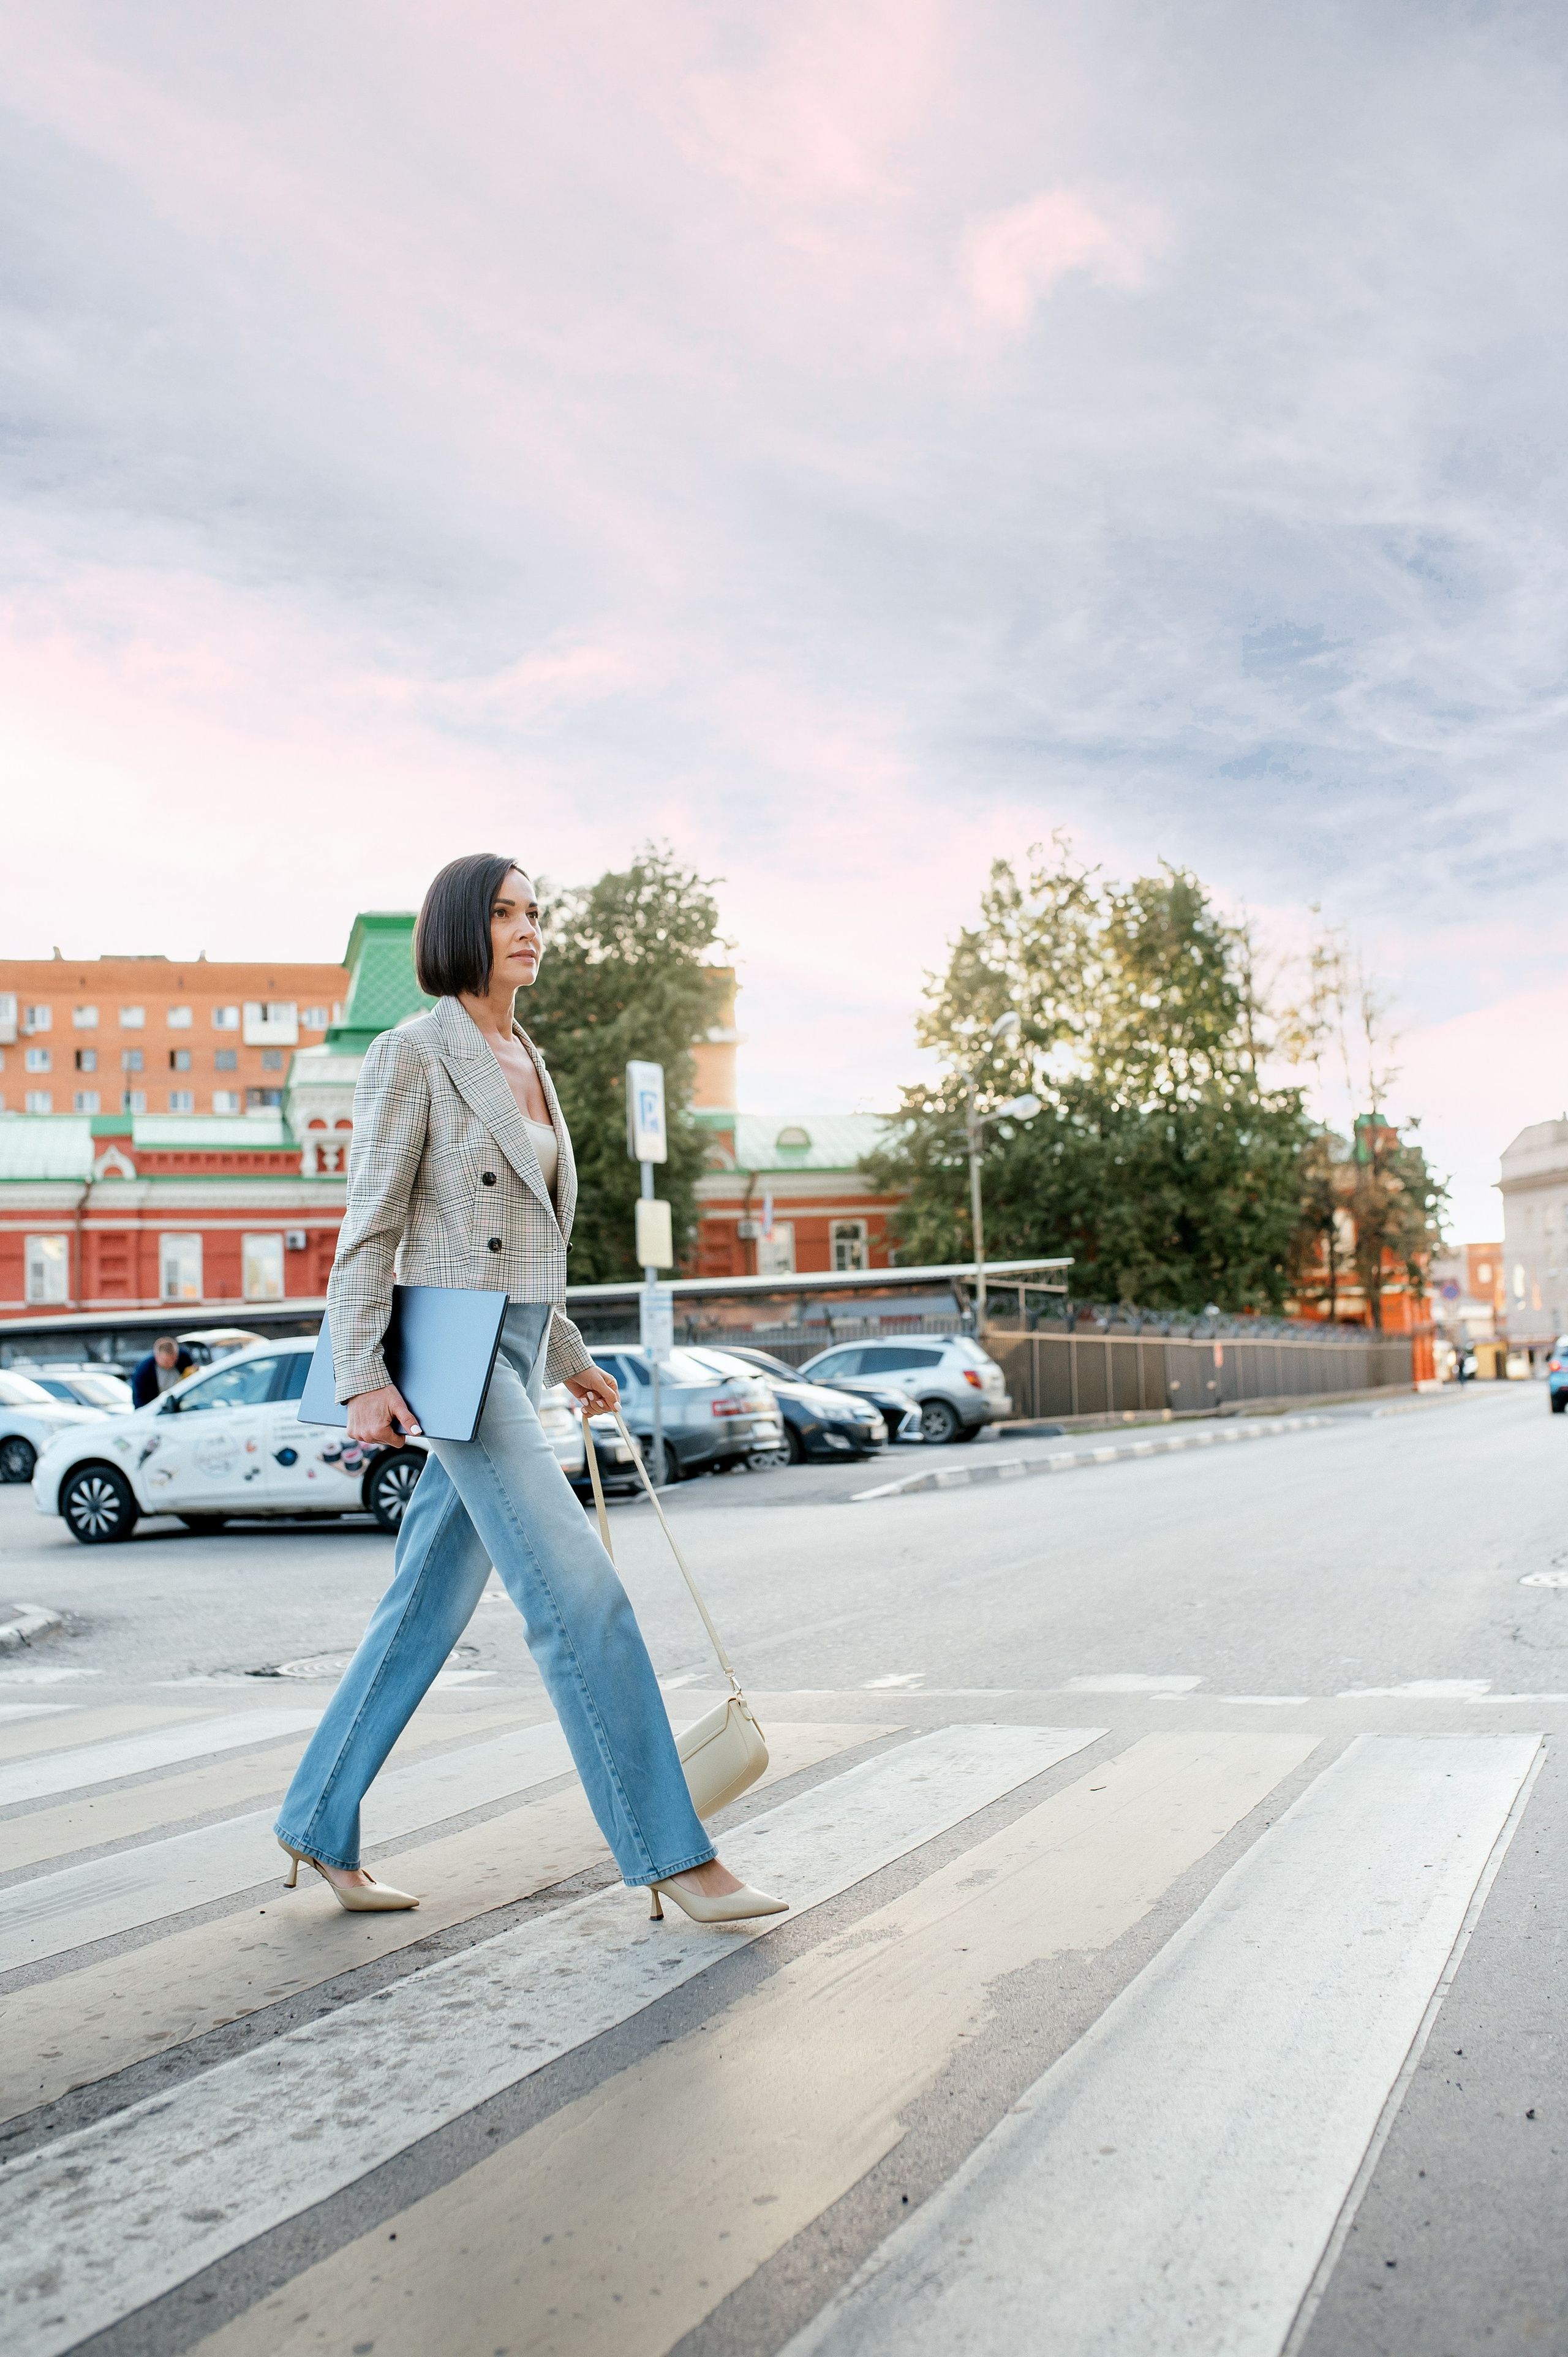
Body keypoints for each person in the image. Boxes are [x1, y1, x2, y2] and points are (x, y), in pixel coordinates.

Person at [274, 852, 785, 1927]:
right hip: (449, 1354)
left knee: (424, 1607)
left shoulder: (530, 1058)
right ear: (462, 927)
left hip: (512, 1346)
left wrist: (567, 1353)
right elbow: (372, 1224)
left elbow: (527, 1243)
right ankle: (669, 1851)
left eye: (536, 911)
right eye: (505, 911)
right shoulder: (415, 1053)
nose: (528, 928)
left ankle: (316, 1817)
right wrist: (362, 1373)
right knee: (579, 1593)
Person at [131, 1336, 196, 1408]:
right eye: (167, 1361)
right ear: (157, 1357)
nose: (171, 1363)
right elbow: (139, 1398)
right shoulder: (144, 1370)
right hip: (157, 1409)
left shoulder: (184, 1359)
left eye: (174, 1359)